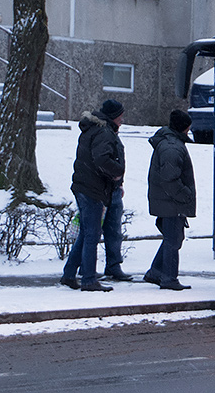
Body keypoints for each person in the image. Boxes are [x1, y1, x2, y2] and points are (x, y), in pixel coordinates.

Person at [60, 99, 127, 292]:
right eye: (121, 116)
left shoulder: (93, 129)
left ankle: (69, 274)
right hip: (92, 189)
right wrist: (118, 172)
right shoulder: (104, 132)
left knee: (86, 233)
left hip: (84, 186)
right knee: (92, 235)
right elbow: (101, 159)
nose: (122, 119)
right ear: (114, 116)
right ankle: (88, 279)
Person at [144, 110, 197, 290]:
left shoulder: (170, 144)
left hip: (167, 200)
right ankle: (168, 278)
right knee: (173, 240)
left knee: (173, 238)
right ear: (185, 127)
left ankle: (156, 272)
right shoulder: (173, 147)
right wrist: (185, 195)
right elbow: (170, 178)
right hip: (171, 202)